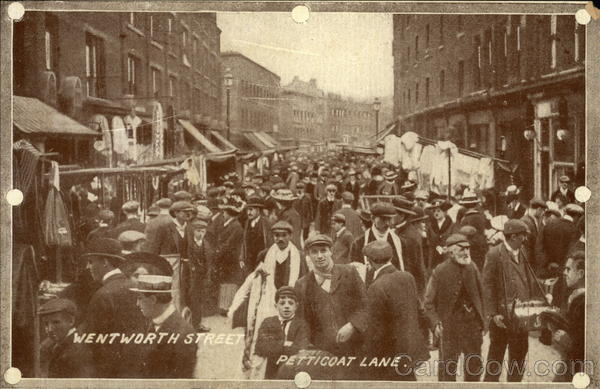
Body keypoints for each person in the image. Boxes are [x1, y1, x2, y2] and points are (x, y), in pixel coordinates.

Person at [229, 221, 306, 379]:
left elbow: (303, 283)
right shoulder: (264, 255)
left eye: (284, 235)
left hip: (289, 305)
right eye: (276, 235)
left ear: (290, 236)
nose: (280, 239)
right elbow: (253, 282)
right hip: (266, 305)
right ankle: (261, 375)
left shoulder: (300, 256)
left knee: (287, 341)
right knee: (264, 341)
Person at [483, 219, 546, 382]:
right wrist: (493, 313)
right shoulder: (495, 254)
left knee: (518, 357)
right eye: (523, 236)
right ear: (513, 237)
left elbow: (528, 279)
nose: (525, 239)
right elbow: (487, 285)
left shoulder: (523, 251)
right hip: (502, 318)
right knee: (495, 358)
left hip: (521, 317)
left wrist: (539, 297)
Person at [295, 234, 368, 372]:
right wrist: (305, 349)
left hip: (355, 347)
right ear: (308, 255)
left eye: (323, 250)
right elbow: (302, 322)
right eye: (314, 252)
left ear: (331, 251)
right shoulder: (302, 285)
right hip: (323, 354)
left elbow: (365, 306)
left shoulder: (349, 272)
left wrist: (352, 325)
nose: (319, 256)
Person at [362, 240, 429, 381]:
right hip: (409, 350)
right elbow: (418, 311)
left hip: (389, 355)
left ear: (369, 261)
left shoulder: (376, 287)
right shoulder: (407, 277)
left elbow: (376, 330)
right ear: (391, 258)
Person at [80, 238, 146, 378]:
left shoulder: (103, 295)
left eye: (91, 262)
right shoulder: (135, 287)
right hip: (136, 367)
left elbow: (93, 342)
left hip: (110, 372)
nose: (88, 267)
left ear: (105, 262)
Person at [424, 234, 485, 382]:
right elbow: (428, 303)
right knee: (447, 369)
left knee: (474, 366)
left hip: (472, 325)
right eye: (462, 249)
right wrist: (435, 323)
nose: (466, 252)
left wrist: (483, 321)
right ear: (451, 252)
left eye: (468, 248)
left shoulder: (473, 267)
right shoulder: (440, 271)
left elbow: (482, 295)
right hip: (449, 327)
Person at [130, 274, 197, 378]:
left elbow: (182, 381)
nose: (137, 304)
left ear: (153, 300)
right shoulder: (152, 323)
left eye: (140, 298)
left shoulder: (183, 334)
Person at [541, 251, 585, 382]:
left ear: (581, 273)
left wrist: (570, 343)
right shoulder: (576, 295)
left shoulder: (584, 300)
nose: (565, 272)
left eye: (568, 269)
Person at [254, 286, 310, 379]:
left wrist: (275, 344)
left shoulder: (302, 325)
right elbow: (261, 347)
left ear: (296, 306)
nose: (286, 306)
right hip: (270, 369)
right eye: (282, 303)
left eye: (291, 303)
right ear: (276, 306)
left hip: (292, 369)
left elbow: (301, 349)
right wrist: (285, 343)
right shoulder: (268, 322)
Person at [349, 202, 405, 286]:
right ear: (372, 218)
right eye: (383, 219)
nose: (387, 223)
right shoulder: (359, 243)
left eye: (389, 219)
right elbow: (354, 275)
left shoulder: (398, 241)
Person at [38, 298, 94, 378]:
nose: (49, 329)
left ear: (71, 321)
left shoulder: (76, 351)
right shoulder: (56, 344)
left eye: (56, 322)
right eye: (46, 324)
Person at [215, 195, 245, 315]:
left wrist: (218, 252)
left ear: (229, 213)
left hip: (231, 257)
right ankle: (225, 305)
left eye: (224, 212)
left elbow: (228, 244)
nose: (223, 214)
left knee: (230, 281)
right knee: (226, 281)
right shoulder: (229, 224)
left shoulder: (236, 226)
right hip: (226, 257)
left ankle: (227, 306)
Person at [393, 197, 427, 295]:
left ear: (402, 215)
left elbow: (415, 268)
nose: (391, 216)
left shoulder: (409, 237)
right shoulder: (401, 230)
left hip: (408, 287)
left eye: (394, 213)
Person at [184, 218, 211, 332]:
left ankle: (197, 324)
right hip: (190, 277)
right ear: (193, 231)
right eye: (198, 231)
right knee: (190, 299)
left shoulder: (206, 244)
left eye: (203, 231)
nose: (200, 234)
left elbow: (208, 262)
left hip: (201, 277)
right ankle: (190, 324)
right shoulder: (189, 244)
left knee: (199, 300)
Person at [241, 197, 273, 274]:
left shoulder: (265, 223)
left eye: (251, 210)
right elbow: (244, 241)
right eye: (247, 210)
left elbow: (269, 243)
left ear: (258, 210)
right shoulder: (247, 222)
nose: (248, 212)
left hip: (261, 260)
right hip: (249, 260)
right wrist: (241, 257)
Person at [426, 199, 454, 271]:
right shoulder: (430, 225)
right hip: (434, 257)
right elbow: (429, 241)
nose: (436, 213)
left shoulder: (451, 225)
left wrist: (446, 248)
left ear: (444, 212)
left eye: (438, 211)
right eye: (434, 211)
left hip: (447, 256)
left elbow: (453, 240)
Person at [520, 198, 546, 272]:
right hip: (527, 261)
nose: (542, 214)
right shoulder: (525, 221)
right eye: (542, 211)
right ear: (538, 209)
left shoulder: (532, 220)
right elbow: (526, 245)